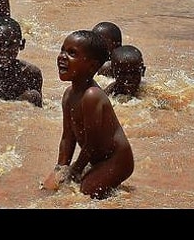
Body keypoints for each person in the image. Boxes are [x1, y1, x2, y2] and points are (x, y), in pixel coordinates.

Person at [42, 30, 134, 199]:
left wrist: (75, 172)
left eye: (72, 53)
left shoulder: (92, 96)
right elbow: (67, 138)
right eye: (62, 50)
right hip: (95, 157)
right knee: (49, 188)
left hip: (117, 160)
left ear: (92, 66)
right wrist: (60, 169)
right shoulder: (69, 95)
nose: (62, 56)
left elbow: (93, 143)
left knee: (85, 193)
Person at [0, 16, 43, 107]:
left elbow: (38, 110)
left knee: (33, 95)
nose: (3, 50)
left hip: (19, 115)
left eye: (10, 44)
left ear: (21, 44)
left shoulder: (30, 73)